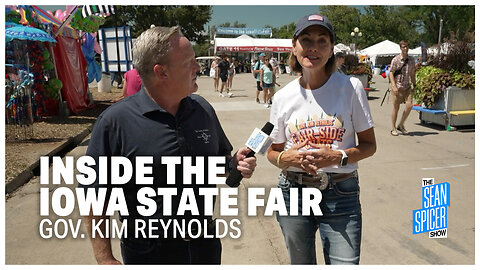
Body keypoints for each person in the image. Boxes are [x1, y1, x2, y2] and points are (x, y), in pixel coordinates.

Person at [80, 26, 257, 265]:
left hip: (204, 244)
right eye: (189, 62)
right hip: (149, 251)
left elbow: (215, 164)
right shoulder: (115, 122)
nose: (198, 68)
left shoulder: (202, 109)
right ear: (161, 71)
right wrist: (105, 259)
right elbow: (94, 196)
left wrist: (233, 164)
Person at [266, 14, 376, 265]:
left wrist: (338, 156)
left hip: (340, 191)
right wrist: (286, 157)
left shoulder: (350, 88)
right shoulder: (283, 97)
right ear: (294, 47)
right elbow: (273, 151)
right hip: (292, 191)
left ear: (331, 50)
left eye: (322, 41)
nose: (313, 47)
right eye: (306, 40)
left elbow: (370, 145)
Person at [389, 40, 416, 136]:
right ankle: (393, 128)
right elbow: (391, 72)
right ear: (400, 48)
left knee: (409, 106)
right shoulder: (396, 59)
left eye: (407, 46)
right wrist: (393, 86)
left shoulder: (412, 60)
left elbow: (412, 73)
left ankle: (401, 124)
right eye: (403, 47)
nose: (405, 48)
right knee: (396, 107)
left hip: (407, 86)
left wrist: (414, 84)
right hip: (398, 86)